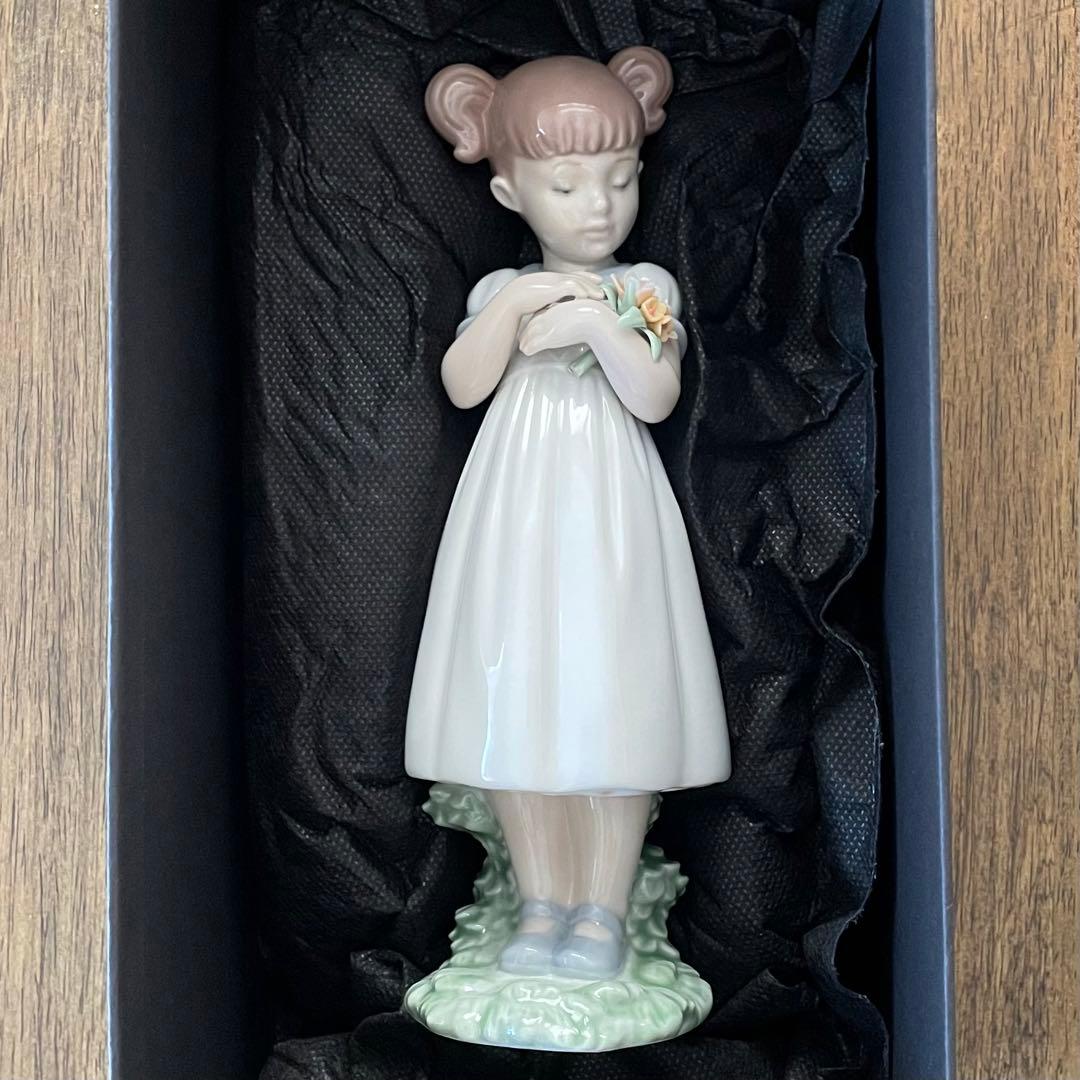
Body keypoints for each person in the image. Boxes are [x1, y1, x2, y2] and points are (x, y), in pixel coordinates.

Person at [406, 48, 731, 979]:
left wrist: (595, 323)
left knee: (615, 694)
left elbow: (656, 396)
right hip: (517, 515)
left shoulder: (644, 289)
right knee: (518, 697)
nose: (599, 207)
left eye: (620, 181)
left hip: (610, 517)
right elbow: (462, 385)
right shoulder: (497, 293)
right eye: (567, 186)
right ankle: (541, 900)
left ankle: (603, 908)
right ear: (510, 195)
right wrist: (515, 305)